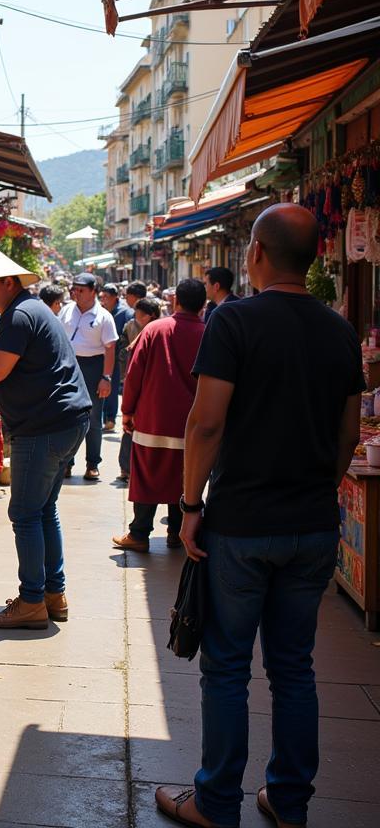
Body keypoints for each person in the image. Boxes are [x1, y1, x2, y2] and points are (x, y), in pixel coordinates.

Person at [155, 204, 363, 828]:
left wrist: (190, 507)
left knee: (226, 667)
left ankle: (218, 801)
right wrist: (316, 492)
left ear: (257, 254)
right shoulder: (340, 331)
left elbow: (207, 421)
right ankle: (289, 800)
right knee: (294, 666)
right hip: (312, 524)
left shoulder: (235, 321)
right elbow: (348, 434)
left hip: (242, 523)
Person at [0, 245, 90, 629]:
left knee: (25, 514)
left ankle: (31, 601)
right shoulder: (27, 311)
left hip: (44, 426)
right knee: (43, 510)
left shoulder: (19, 314)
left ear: (10, 282)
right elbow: (16, 364)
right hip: (64, 421)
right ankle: (52, 594)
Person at [112, 278, 206, 553]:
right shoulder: (209, 333)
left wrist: (127, 410)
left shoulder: (154, 330)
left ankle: (139, 533)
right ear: (202, 305)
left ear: (176, 301)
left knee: (147, 475)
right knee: (184, 477)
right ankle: (176, 533)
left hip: (152, 418)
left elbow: (134, 374)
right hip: (192, 423)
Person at [59, 272, 118, 480]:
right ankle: (66, 463)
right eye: (74, 289)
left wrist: (106, 377)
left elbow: (110, 349)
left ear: (94, 292)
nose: (76, 293)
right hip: (69, 365)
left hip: (93, 367)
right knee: (66, 416)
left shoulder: (103, 317)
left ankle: (92, 464)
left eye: (81, 290)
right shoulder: (66, 310)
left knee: (93, 417)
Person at [117, 296, 161, 482]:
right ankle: (128, 468)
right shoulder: (133, 327)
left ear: (149, 316)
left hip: (149, 389)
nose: (136, 318)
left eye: (139, 315)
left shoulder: (155, 331)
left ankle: (136, 470)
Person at [99, 283, 133, 432]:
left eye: (107, 297)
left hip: (117, 356)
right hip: (101, 354)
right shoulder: (100, 311)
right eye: (102, 296)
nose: (104, 300)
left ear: (115, 298)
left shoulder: (125, 313)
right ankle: (103, 417)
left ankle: (110, 418)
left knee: (111, 387)